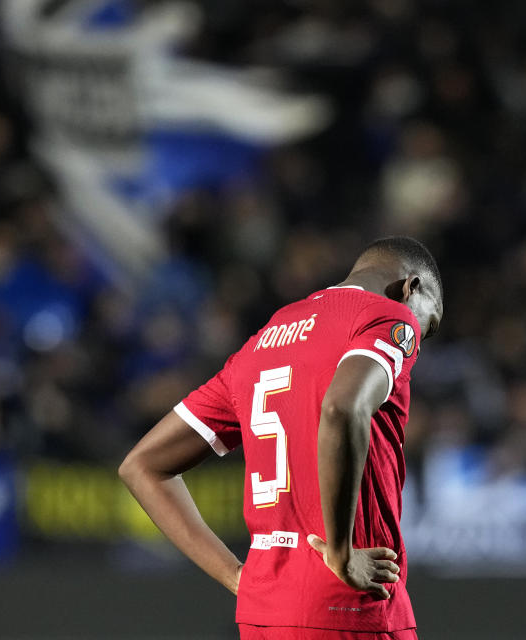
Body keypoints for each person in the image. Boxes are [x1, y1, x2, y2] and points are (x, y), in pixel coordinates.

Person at [119, 236, 443, 639]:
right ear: (409, 288)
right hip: (348, 606)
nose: (419, 339)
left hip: (264, 613)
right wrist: (341, 555)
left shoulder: (266, 338)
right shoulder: (388, 318)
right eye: (429, 324)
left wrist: (236, 577)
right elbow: (342, 408)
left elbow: (143, 465)